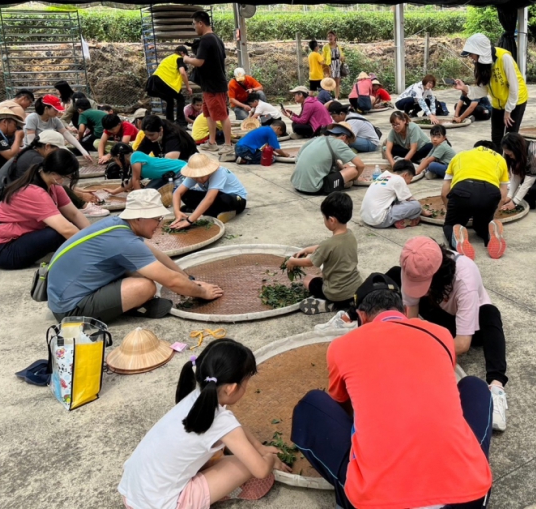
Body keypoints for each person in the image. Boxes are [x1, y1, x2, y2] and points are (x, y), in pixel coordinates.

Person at [291, 285, 492, 509]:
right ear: (405, 311)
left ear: (361, 316)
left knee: (310, 405)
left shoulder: (341, 346)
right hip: (467, 500)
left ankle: (345, 499)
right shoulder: (441, 334)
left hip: (380, 503)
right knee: (475, 386)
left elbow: (342, 407)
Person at [119, 338, 291, 509]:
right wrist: (269, 458)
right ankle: (222, 491)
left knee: (222, 452)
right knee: (246, 464)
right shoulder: (222, 421)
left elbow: (234, 427)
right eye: (246, 382)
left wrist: (259, 447)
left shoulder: (198, 396)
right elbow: (260, 471)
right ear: (231, 388)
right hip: (161, 504)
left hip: (133, 495)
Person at [47, 189, 224, 323]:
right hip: (69, 310)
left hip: (62, 293)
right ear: (139, 218)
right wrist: (202, 292)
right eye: (156, 219)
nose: (159, 224)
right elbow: (171, 281)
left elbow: (155, 253)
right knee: (146, 286)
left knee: (143, 270)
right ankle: (129, 307)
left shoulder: (118, 224)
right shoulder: (125, 242)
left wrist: (188, 278)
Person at [391, 235, 509, 431]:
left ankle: (496, 387)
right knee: (393, 279)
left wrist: (425, 355)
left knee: (491, 314)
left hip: (474, 325)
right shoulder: (410, 266)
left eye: (423, 283)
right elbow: (411, 315)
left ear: (437, 273)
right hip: (442, 317)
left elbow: (463, 343)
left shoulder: (465, 276)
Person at [0, 148, 91, 269]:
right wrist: (93, 247)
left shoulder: (53, 186)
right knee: (58, 233)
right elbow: (65, 229)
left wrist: (94, 235)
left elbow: (74, 214)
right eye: (67, 175)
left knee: (70, 228)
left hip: (18, 239)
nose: (67, 179)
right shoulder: (33, 192)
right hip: (0, 248)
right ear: (54, 173)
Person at [285, 192, 363, 322]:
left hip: (335, 293)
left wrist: (293, 261)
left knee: (308, 279)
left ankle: (332, 304)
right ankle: (347, 303)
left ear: (331, 220)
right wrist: (307, 249)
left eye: (324, 217)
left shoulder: (328, 244)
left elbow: (309, 262)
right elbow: (325, 248)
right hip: (355, 289)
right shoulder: (350, 235)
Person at [0, 131, 107, 216]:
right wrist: (81, 199)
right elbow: (56, 184)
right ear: (47, 146)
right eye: (57, 150)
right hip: (11, 201)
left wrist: (79, 191)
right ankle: (84, 207)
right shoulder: (36, 160)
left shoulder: (32, 152)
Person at [440, 141, 508, 260]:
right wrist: (493, 215)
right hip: (490, 193)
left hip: (463, 191)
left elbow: (444, 192)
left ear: (474, 148)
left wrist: (450, 211)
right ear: (493, 151)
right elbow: (503, 194)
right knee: (480, 225)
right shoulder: (500, 159)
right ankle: (488, 232)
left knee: (450, 225)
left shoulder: (460, 156)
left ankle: (458, 238)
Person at [457, 33, 528, 147]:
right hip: (498, 103)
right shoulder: (481, 64)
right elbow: (483, 90)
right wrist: (465, 88)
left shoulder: (504, 58)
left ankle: (511, 163)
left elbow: (515, 88)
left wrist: (508, 110)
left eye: (471, 53)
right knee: (496, 137)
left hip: (515, 101)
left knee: (510, 138)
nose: (470, 56)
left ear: (480, 50)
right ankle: (498, 163)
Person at [182, 11, 234, 161]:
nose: (194, 27)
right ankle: (212, 142)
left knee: (222, 115)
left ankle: (228, 145)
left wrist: (186, 59)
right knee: (209, 114)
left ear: (200, 23)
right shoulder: (217, 39)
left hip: (214, 84)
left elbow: (199, 62)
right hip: (210, 84)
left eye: (194, 24)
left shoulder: (205, 40)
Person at [171, 153, 247, 225]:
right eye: (196, 178)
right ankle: (208, 211)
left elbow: (209, 199)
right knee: (186, 194)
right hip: (214, 197)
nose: (200, 179)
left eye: (202, 176)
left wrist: (189, 221)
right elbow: (177, 193)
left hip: (235, 199)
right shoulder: (193, 175)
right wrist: (176, 211)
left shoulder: (219, 172)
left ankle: (205, 211)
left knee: (223, 199)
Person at [291, 124, 365, 194]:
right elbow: (361, 165)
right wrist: (354, 179)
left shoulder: (315, 139)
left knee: (343, 166)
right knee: (353, 170)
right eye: (348, 142)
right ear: (344, 137)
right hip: (315, 187)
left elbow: (297, 159)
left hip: (297, 184)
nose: (347, 145)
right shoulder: (338, 143)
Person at [24, 95, 94, 162]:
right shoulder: (32, 118)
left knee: (71, 158)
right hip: (37, 150)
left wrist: (83, 151)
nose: (57, 112)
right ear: (46, 108)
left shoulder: (55, 119)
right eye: (55, 110)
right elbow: (31, 142)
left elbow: (67, 134)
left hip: (52, 147)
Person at [361, 160, 422, 229]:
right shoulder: (399, 179)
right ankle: (405, 221)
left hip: (366, 218)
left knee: (399, 199)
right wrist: (422, 210)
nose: (410, 182)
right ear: (405, 175)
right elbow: (410, 199)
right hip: (379, 221)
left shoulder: (383, 175)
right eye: (410, 178)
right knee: (416, 205)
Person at [107, 143, 187, 192]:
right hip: (165, 175)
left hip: (180, 169)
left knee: (176, 193)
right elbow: (130, 183)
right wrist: (113, 192)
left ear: (118, 156)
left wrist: (140, 198)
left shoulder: (135, 156)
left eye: (115, 160)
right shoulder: (133, 162)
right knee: (148, 192)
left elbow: (136, 180)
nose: (116, 163)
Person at [146, 45, 192, 126]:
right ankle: (180, 123)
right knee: (180, 98)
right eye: (185, 55)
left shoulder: (169, 58)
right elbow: (182, 73)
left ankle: (169, 122)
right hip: (162, 81)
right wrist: (188, 87)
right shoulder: (179, 58)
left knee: (170, 100)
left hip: (153, 82)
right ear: (182, 53)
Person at [322, 30, 345, 98]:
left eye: (331, 36)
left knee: (337, 82)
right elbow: (323, 57)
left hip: (337, 64)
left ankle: (336, 98)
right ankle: (328, 97)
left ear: (335, 37)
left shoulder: (338, 46)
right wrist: (324, 67)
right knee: (329, 82)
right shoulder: (326, 47)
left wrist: (342, 58)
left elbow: (342, 56)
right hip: (330, 65)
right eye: (328, 36)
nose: (330, 37)